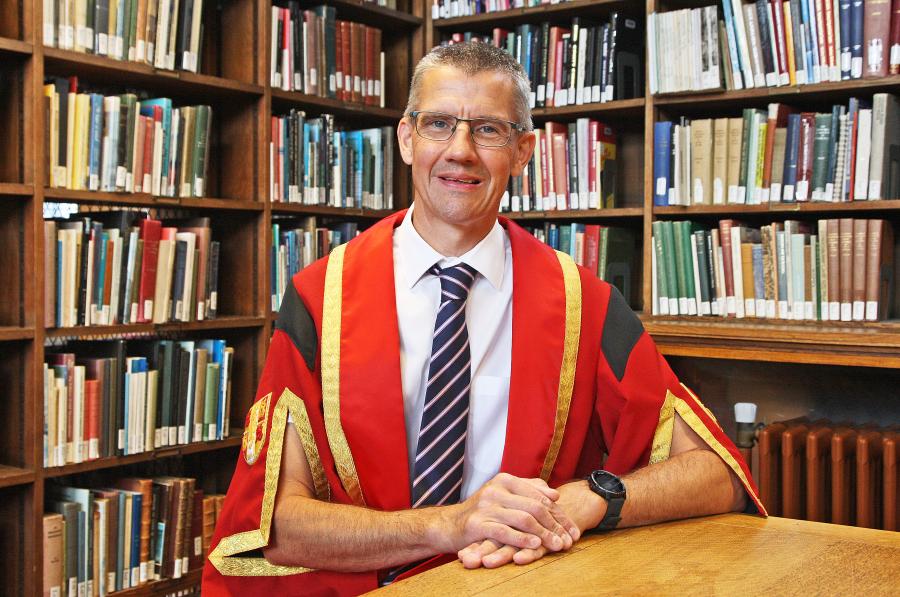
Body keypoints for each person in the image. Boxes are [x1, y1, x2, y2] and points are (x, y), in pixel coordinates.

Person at [202, 42, 765, 596]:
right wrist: (447, 524)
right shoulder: (320, 297)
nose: (461, 151)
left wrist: (588, 498)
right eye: (439, 124)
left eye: (489, 130)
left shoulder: (583, 304)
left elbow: (716, 475)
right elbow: (272, 522)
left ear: (523, 151)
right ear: (406, 138)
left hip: (518, 584)